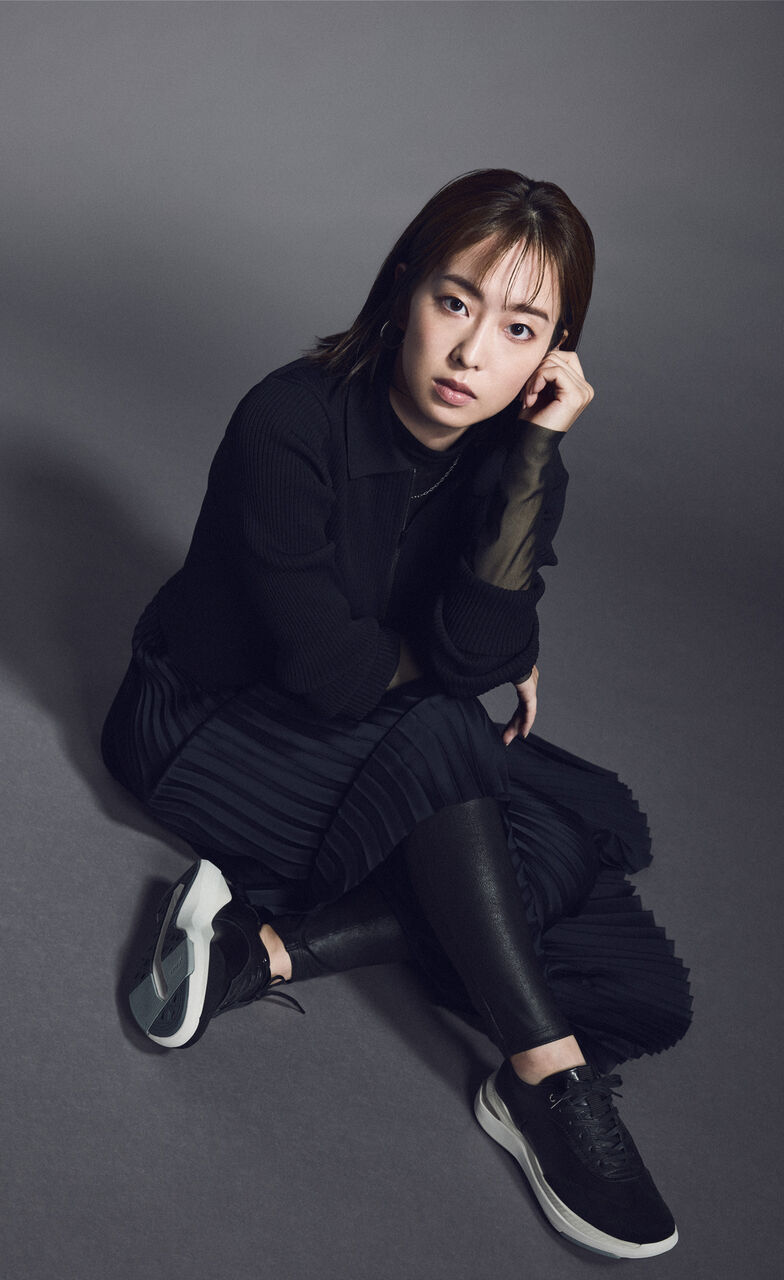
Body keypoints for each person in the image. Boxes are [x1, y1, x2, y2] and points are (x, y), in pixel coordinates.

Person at [102, 169, 691, 1260]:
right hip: (202, 727)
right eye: (455, 303)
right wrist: (472, 657)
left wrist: (533, 461)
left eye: (520, 329)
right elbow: (346, 673)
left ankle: (255, 953)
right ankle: (546, 1078)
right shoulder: (289, 418)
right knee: (464, 747)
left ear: (554, 354)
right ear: (404, 287)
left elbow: (470, 651)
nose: (472, 354)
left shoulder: (516, 458)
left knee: (578, 869)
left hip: (367, 731)